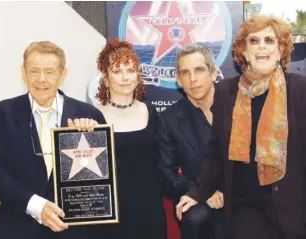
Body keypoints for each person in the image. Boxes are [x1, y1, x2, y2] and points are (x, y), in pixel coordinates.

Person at [176, 15, 306, 239]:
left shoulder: (299, 90)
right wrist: (199, 191)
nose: (262, 46)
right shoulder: (227, 92)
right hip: (244, 209)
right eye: (254, 41)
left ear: (281, 49)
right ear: (244, 51)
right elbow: (217, 150)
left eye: (270, 40)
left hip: (290, 207)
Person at [0, 41, 106, 239]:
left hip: (74, 231)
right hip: (16, 229)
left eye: (50, 72)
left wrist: (90, 137)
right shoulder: (0, 114)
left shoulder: (89, 115)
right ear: (23, 72)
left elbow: (106, 177)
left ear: (63, 75)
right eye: (34, 71)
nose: (41, 79)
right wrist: (36, 206)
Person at [91, 37, 167, 239]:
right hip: (108, 211)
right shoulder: (91, 117)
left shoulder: (151, 112)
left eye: (130, 70)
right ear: (106, 79)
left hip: (148, 206)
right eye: (117, 71)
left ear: (138, 76)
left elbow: (164, 162)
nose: (125, 77)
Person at [155, 43, 224, 239]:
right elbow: (165, 173)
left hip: (239, 193)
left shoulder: (236, 105)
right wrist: (199, 192)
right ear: (178, 79)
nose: (193, 79)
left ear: (213, 73)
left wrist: (222, 190)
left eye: (199, 70)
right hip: (198, 197)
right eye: (185, 73)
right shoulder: (169, 119)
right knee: (194, 217)